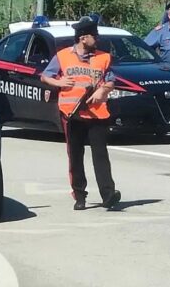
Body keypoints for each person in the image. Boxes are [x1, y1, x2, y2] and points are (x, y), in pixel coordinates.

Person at [41, 16, 121, 211]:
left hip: (97, 113)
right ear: (83, 38)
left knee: (100, 155)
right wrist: (59, 83)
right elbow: (45, 76)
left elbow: (111, 80)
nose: (98, 39)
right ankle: (79, 195)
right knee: (75, 155)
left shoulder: (103, 57)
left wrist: (103, 90)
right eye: (95, 36)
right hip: (72, 114)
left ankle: (108, 194)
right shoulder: (62, 56)